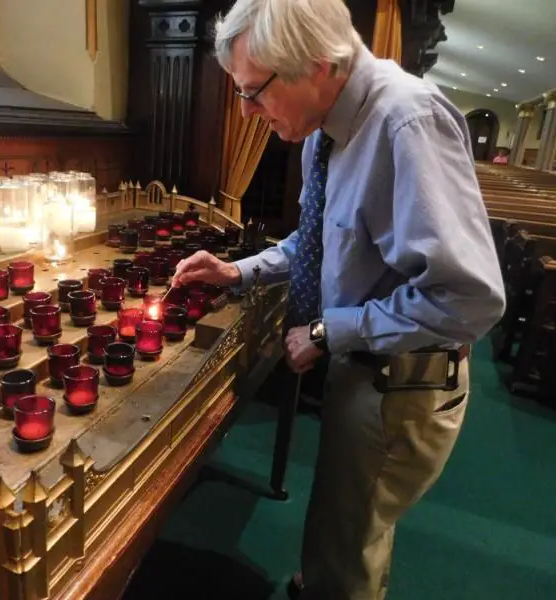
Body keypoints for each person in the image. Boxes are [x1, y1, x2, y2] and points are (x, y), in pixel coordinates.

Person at [171, 0, 506, 598]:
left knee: (348, 546)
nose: (247, 113)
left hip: (401, 384)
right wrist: (237, 271)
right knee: (343, 526)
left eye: (254, 93)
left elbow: (469, 299)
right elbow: (321, 235)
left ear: (318, 64)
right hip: (369, 369)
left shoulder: (406, 121)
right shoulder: (324, 130)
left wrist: (331, 332)